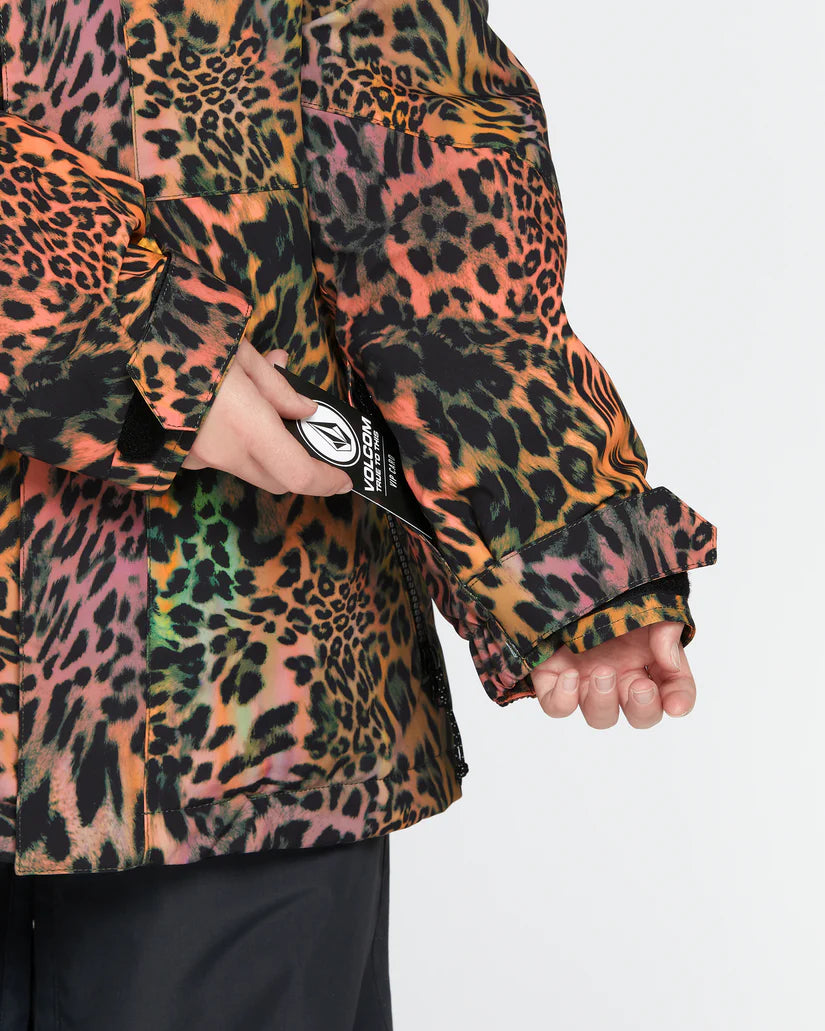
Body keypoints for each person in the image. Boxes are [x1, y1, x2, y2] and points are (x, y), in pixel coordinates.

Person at [0, 0, 718, 1027]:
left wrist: (565, 546)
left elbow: (422, 172)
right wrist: (130, 332)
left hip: (247, 700)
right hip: (251, 688)